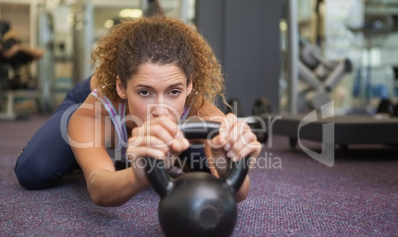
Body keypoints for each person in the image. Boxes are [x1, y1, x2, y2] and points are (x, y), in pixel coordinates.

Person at [14, 16, 262, 206]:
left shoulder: (201, 112)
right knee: (35, 171)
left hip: (149, 95)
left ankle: (174, 147)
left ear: (190, 85)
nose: (160, 109)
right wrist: (140, 174)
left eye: (174, 91)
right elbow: (99, 188)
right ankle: (88, 153)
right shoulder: (94, 112)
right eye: (145, 92)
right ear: (122, 86)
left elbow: (239, 191)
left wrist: (228, 161)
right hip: (89, 97)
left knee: (203, 164)